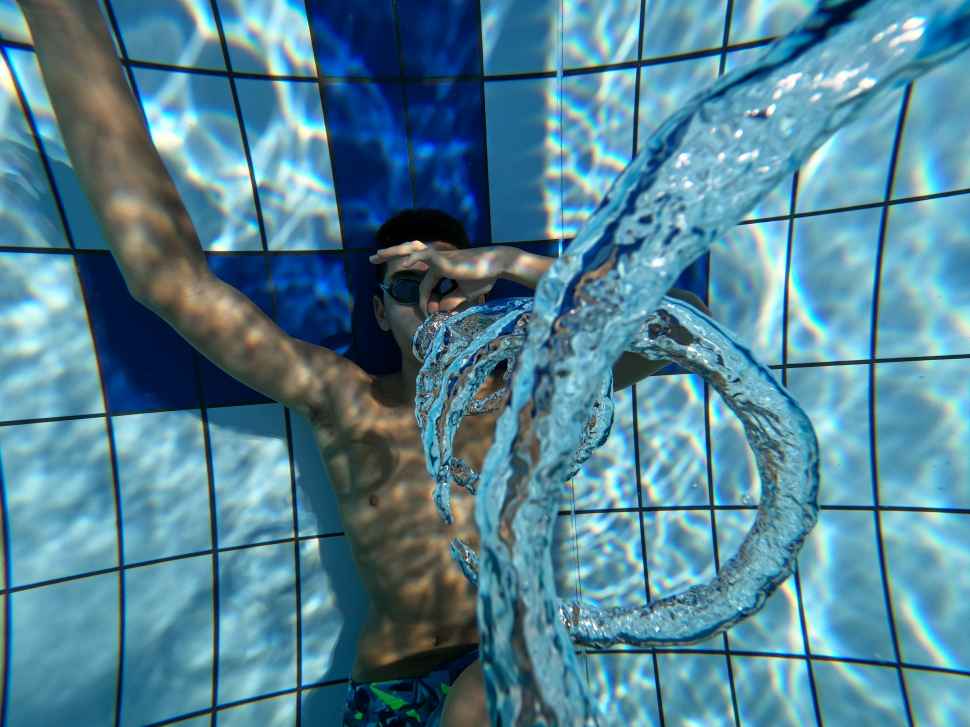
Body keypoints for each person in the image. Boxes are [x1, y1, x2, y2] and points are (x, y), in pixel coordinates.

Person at [17, 3, 711, 725]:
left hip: (509, 685)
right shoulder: (346, 401)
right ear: (380, 313)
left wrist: (512, 263)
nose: (433, 302)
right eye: (408, 286)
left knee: (483, 693)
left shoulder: (536, 393)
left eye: (449, 281)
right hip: (388, 696)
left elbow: (688, 329)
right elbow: (168, 281)